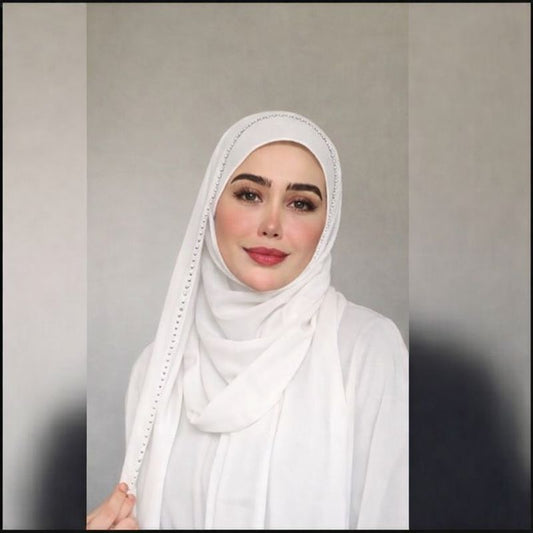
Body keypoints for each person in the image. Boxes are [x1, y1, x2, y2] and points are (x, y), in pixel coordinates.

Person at [86, 111, 408, 530]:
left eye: (300, 203)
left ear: (327, 225)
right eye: (250, 195)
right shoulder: (157, 369)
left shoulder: (366, 351)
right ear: (211, 206)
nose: (271, 225)